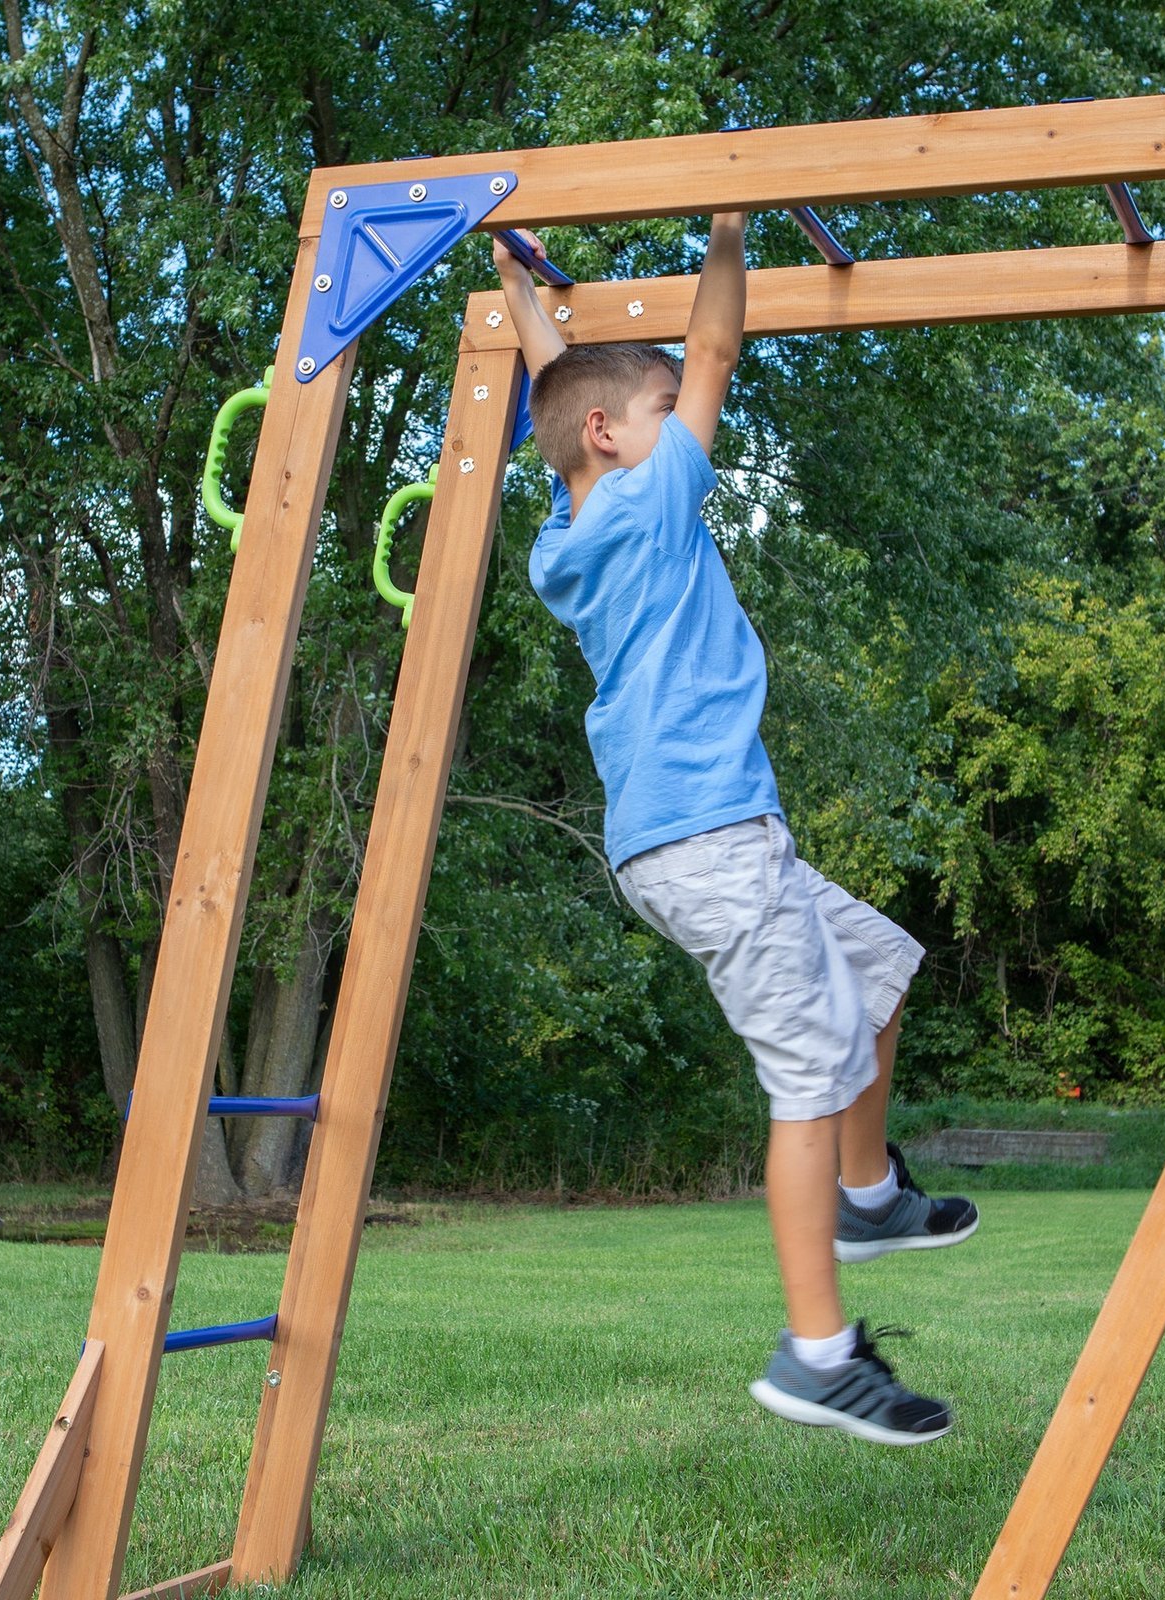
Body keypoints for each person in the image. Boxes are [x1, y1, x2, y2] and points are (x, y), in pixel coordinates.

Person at [492, 216, 979, 1446]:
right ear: (617, 437)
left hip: (691, 840)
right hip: (709, 838)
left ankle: (866, 1193)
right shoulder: (651, 501)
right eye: (665, 410)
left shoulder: (567, 535)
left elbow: (566, 397)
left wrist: (520, 293)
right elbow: (709, 349)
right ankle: (818, 1357)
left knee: (879, 967)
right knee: (810, 1075)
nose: (687, 418)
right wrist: (727, 222)